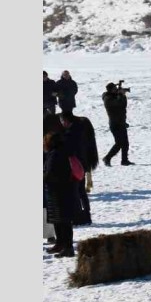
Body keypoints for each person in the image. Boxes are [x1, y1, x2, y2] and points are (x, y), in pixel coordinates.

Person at [44, 129, 81, 258]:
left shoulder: (55, 154)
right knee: (58, 220)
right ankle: (61, 243)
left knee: (63, 221)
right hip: (62, 191)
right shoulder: (63, 152)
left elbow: (51, 174)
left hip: (59, 192)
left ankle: (68, 247)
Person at [60, 111, 98, 225]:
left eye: (63, 121)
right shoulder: (80, 133)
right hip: (81, 167)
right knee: (81, 192)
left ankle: (79, 216)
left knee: (76, 192)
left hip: (74, 168)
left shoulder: (69, 135)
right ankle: (86, 214)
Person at [101, 82, 133, 166]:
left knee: (125, 143)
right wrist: (121, 95)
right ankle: (107, 158)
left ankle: (124, 160)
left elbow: (123, 105)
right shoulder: (107, 98)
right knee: (119, 143)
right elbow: (118, 104)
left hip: (121, 122)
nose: (116, 90)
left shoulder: (114, 96)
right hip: (115, 124)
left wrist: (122, 95)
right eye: (114, 89)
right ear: (111, 90)